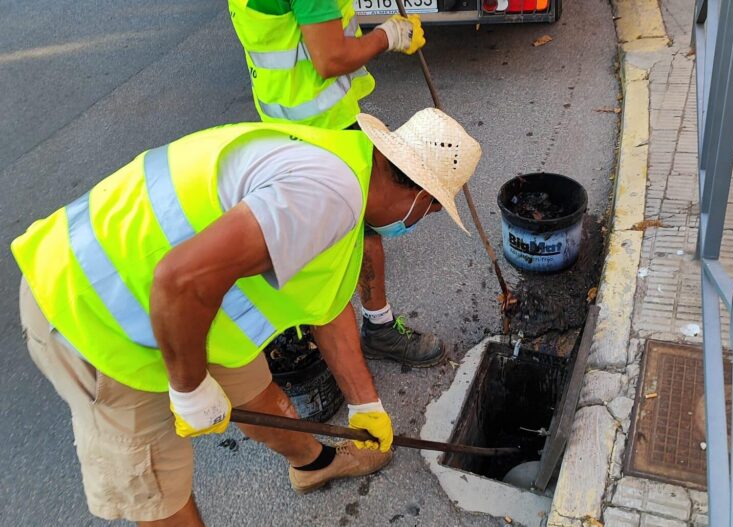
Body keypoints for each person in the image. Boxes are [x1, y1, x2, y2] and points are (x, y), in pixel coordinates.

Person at [12, 108, 481, 526]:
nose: (418, 223)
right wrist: (190, 390)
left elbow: (328, 303)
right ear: (420, 197)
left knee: (258, 393)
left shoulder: (350, 170)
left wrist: (365, 405)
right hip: (95, 307)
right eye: (430, 211)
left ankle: (313, 465)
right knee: (158, 488)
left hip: (192, 305)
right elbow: (178, 281)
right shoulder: (326, 197)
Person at [228, 0, 445, 367]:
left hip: (284, 119)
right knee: (357, 232)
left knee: (332, 237)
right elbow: (330, 58)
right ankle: (373, 331)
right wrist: (389, 35)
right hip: (325, 127)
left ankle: (327, 331)